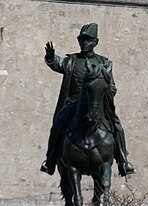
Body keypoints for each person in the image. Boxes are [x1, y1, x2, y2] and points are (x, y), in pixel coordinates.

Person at [39, 22, 134, 177]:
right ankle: (50, 161)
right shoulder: (71, 61)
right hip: (73, 105)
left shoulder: (104, 63)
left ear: (95, 42)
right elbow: (58, 64)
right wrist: (50, 57)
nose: (84, 43)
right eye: (82, 40)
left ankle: (123, 162)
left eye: (88, 40)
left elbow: (112, 87)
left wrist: (105, 92)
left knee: (117, 126)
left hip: (98, 105)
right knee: (57, 125)